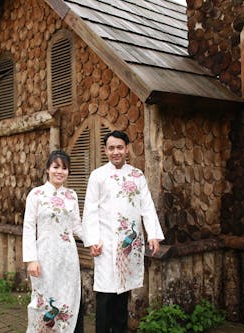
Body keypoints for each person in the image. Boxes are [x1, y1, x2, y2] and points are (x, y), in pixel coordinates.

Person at [82, 130, 165, 333]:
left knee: (122, 294)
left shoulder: (137, 175)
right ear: (105, 150)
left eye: (120, 147)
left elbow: (146, 206)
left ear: (126, 149)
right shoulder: (98, 176)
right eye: (111, 148)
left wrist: (152, 234)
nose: (116, 152)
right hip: (106, 245)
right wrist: (92, 240)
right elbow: (90, 210)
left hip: (129, 246)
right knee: (105, 294)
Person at [23, 150, 84, 333]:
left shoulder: (71, 195)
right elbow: (28, 228)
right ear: (48, 169)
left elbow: (77, 226)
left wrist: (93, 242)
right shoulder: (36, 194)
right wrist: (31, 259)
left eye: (64, 168)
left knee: (68, 299)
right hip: (44, 257)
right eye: (56, 167)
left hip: (67, 258)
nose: (60, 171)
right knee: (43, 300)